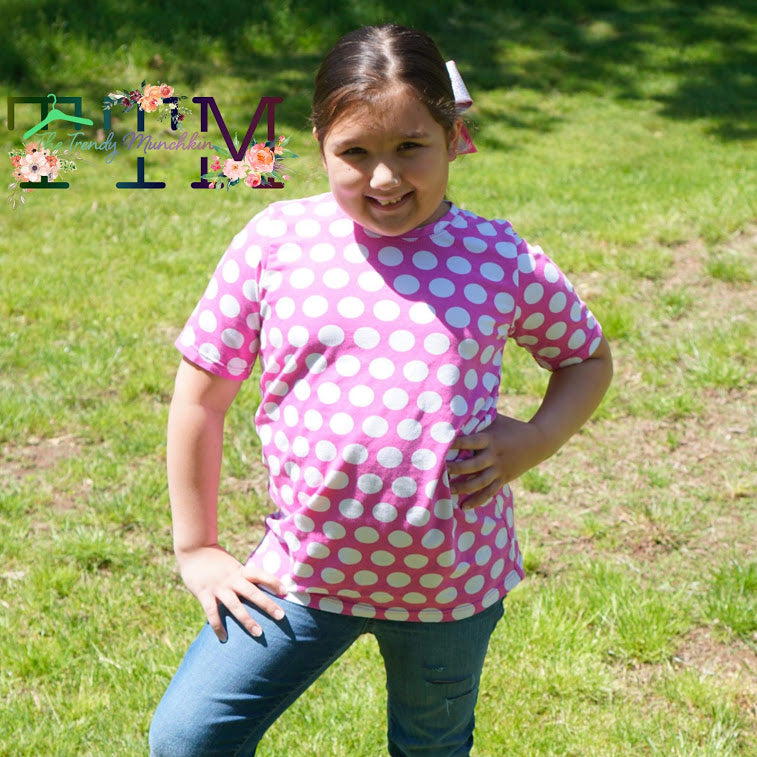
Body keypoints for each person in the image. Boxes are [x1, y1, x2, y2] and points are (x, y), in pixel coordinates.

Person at [149, 23, 613, 757]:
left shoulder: (499, 258)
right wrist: (198, 546)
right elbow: (200, 397)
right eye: (356, 153)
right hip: (299, 574)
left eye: (410, 147)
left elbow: (585, 357)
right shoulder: (277, 244)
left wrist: (536, 438)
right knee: (189, 738)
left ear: (453, 138)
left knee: (431, 747)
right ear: (319, 144)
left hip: (450, 586)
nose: (386, 178)